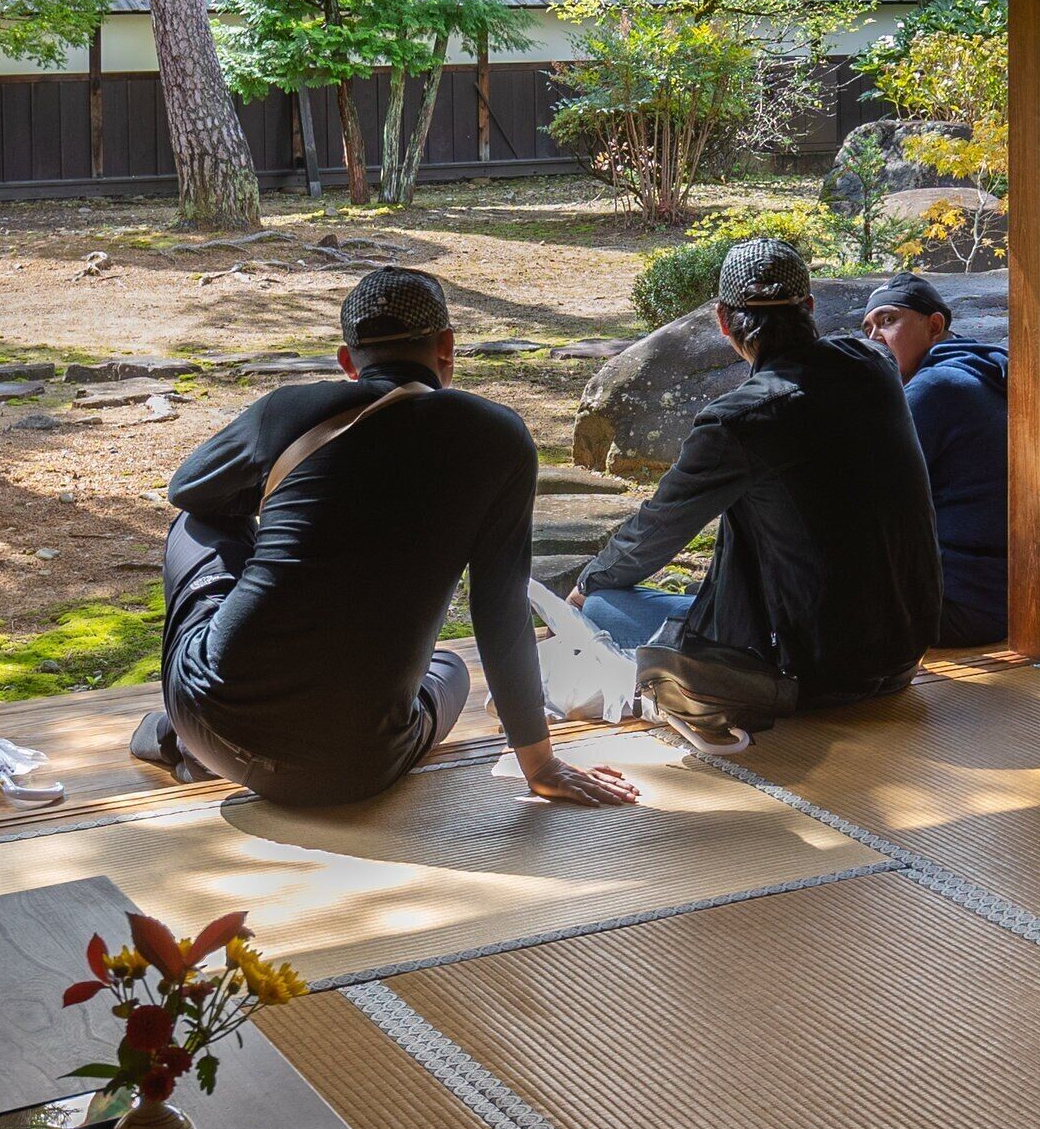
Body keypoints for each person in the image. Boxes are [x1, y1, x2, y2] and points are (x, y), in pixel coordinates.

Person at [142, 267, 640, 811]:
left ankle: (182, 735)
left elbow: (188, 489)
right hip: (357, 766)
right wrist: (540, 766)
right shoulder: (499, 438)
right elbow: (500, 608)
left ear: (347, 362)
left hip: (210, 717)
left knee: (199, 522)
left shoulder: (288, 411)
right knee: (449, 670)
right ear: (447, 347)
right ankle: (219, 741)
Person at [573, 240, 941, 744]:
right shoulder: (874, 366)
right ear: (809, 308)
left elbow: (658, 528)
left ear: (723, 322)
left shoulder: (738, 420)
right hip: (904, 652)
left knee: (603, 606)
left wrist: (588, 583)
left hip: (806, 673)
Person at [862, 272, 1008, 647]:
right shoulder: (983, 373)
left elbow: (862, 495)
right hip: (1012, 595)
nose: (875, 337)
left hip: (963, 603)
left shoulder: (936, 387)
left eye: (888, 320)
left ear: (935, 325)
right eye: (868, 328)